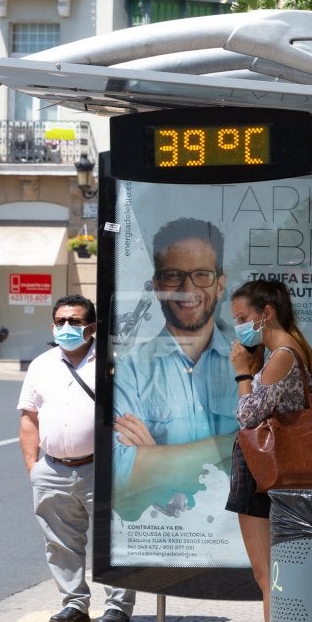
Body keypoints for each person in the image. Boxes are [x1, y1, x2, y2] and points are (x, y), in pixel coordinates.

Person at [223, 279, 312, 622]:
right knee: (273, 573)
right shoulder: (293, 352)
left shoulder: (281, 356)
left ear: (266, 313)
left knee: (269, 576)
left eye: (243, 319)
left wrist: (243, 373)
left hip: (261, 472)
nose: (239, 329)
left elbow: (248, 415)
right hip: (269, 473)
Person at [18, 295, 136, 622]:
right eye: (61, 322)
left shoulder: (112, 362)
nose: (67, 327)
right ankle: (74, 603)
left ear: (92, 327)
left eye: (75, 321)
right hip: (53, 468)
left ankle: (118, 606)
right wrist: (33, 467)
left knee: (112, 538)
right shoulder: (42, 364)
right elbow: (29, 417)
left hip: (101, 466)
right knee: (59, 542)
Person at [113, 218, 238, 520]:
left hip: (238, 537)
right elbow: (121, 479)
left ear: (220, 285)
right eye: (173, 276)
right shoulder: (129, 369)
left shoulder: (253, 362)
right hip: (165, 540)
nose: (187, 288)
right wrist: (235, 443)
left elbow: (274, 457)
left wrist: (155, 459)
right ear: (157, 285)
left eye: (201, 275)